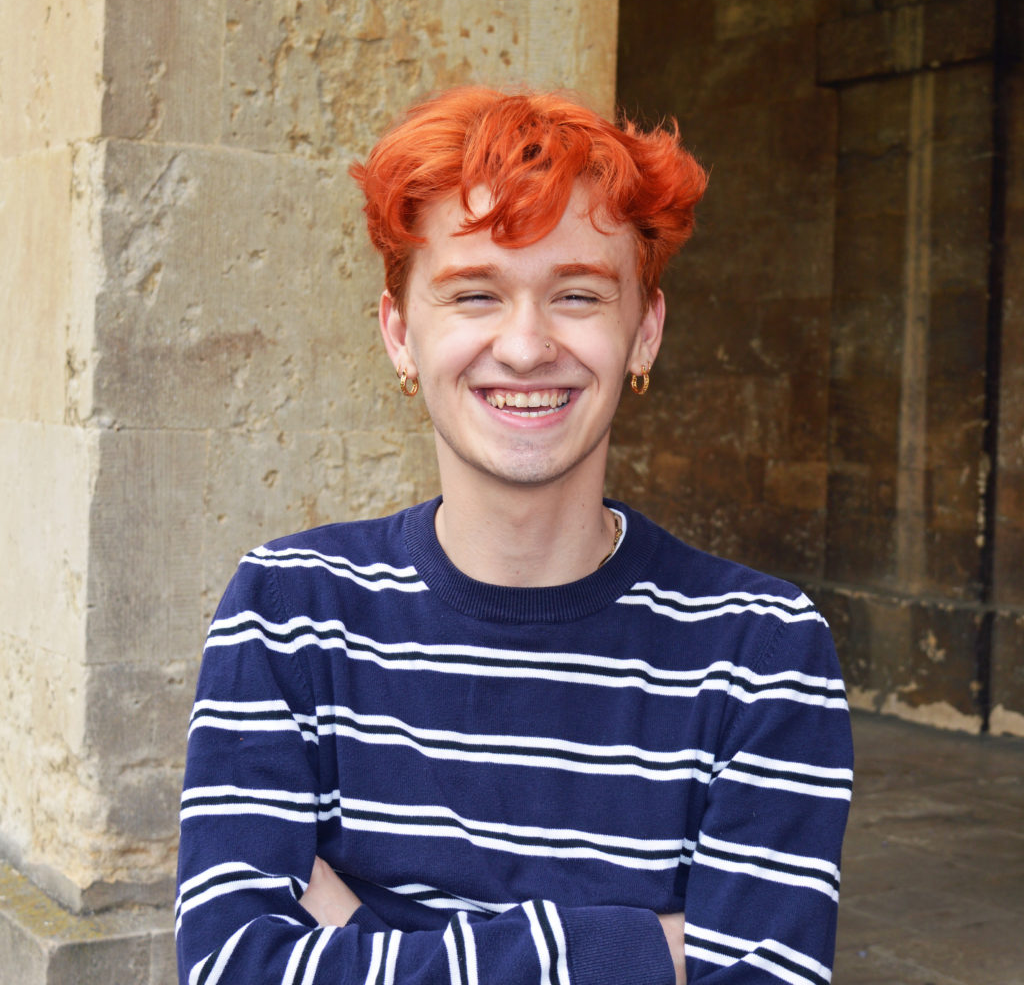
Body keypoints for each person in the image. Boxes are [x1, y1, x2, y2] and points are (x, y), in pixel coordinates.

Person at [175, 85, 853, 985]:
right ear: (400, 334)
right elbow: (233, 966)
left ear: (644, 334)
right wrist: (643, 948)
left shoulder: (764, 651)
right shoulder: (289, 612)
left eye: (577, 295)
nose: (527, 347)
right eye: (474, 295)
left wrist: (360, 933)